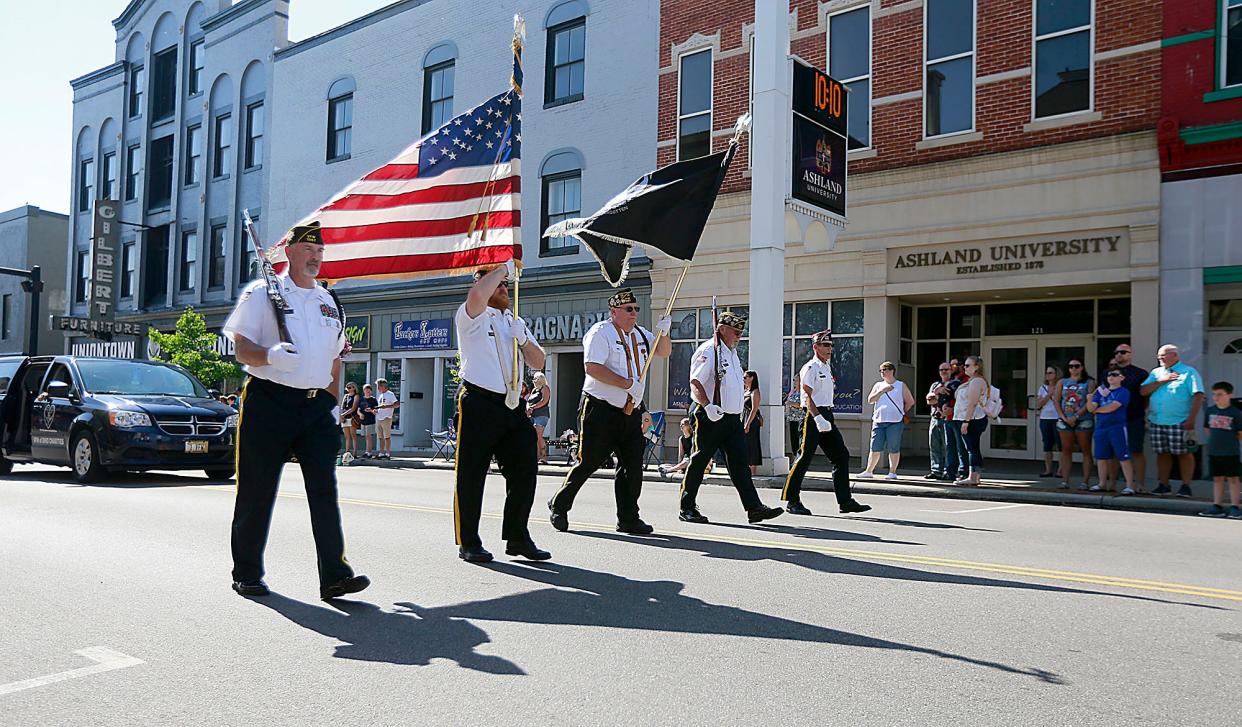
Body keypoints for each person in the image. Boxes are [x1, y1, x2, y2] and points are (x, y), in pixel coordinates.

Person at [222, 222, 369, 600]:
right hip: (270, 401)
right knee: (257, 489)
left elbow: (336, 360)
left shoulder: (330, 301)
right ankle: (248, 572)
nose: (316, 257)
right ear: (288, 252)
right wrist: (268, 356)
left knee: (324, 492)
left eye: (319, 251)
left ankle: (335, 574)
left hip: (316, 408)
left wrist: (333, 405)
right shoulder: (263, 293)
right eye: (308, 250)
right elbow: (241, 348)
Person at [550, 288, 671, 534]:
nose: (634, 313)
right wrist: (627, 383)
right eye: (629, 309)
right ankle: (559, 505)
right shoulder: (601, 332)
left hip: (630, 410)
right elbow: (592, 368)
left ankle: (628, 518)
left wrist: (664, 332)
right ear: (614, 311)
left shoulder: (640, 334)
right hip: (600, 408)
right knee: (589, 461)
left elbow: (663, 351)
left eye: (636, 309)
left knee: (632, 466)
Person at [454, 261, 550, 563]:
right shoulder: (472, 315)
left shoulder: (513, 319)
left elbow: (539, 361)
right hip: (479, 403)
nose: (504, 287)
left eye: (506, 283)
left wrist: (522, 338)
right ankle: (468, 541)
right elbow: (477, 295)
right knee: (471, 475)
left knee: (525, 470)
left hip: (512, 405)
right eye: (498, 283)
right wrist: (502, 266)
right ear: (481, 282)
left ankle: (517, 537)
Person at [677, 312, 784, 525]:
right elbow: (695, 383)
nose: (739, 337)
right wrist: (707, 406)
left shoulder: (732, 354)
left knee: (740, 465)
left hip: (732, 419)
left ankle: (754, 508)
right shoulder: (709, 351)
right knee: (699, 461)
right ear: (722, 328)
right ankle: (687, 507)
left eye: (741, 333)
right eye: (736, 332)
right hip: (710, 416)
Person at [781, 330, 871, 516]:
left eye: (830, 345)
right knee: (804, 457)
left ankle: (845, 501)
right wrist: (817, 417)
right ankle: (792, 500)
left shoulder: (826, 367)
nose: (829, 348)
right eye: (825, 345)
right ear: (815, 347)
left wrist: (825, 417)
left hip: (826, 414)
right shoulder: (811, 367)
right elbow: (806, 395)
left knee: (841, 456)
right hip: (812, 416)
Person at [1141, 344, 1206, 498]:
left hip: (1180, 421)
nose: (1160, 358)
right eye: (1158, 356)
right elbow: (1143, 390)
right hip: (1157, 420)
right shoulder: (1156, 373)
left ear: (1175, 355)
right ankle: (1164, 485)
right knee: (1162, 453)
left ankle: (1186, 486)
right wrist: (1162, 381)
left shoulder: (1189, 372)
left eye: (1163, 355)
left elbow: (1198, 395)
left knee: (1184, 453)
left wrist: (1191, 419)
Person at [858, 361, 914, 480]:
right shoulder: (878, 385)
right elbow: (870, 400)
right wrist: (882, 390)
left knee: (893, 447)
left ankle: (892, 472)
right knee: (875, 447)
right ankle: (869, 471)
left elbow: (910, 401)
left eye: (885, 370)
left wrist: (902, 411)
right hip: (879, 421)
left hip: (895, 421)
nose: (883, 372)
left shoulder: (900, 385)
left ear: (892, 371)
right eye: (881, 370)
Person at [1087, 369, 1137, 494]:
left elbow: (1113, 407)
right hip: (1101, 427)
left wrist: (1096, 410)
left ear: (1122, 378)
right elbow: (1090, 408)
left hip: (1117, 427)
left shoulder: (1123, 392)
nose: (1111, 377)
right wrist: (1089, 399)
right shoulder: (1100, 391)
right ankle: (1102, 483)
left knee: (1123, 456)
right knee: (1101, 457)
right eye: (1109, 374)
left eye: (1115, 375)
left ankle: (1130, 485)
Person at [1199, 381, 1242, 518]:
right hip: (1214, 451)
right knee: (1217, 479)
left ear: (1229, 395)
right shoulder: (1210, 411)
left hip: (1231, 451)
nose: (1216, 397)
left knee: (1233, 479)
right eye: (1214, 394)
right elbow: (1207, 429)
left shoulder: (1235, 412)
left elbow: (1240, 433)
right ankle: (1217, 505)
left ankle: (1235, 506)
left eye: (1220, 394)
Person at [1110, 344, 1149, 492]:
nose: (1119, 354)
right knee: (1114, 451)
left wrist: (1142, 410)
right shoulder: (1108, 373)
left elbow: (1145, 396)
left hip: (1134, 417)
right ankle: (1111, 483)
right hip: (1113, 419)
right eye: (1117, 352)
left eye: (1123, 352)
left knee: (1136, 451)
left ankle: (1140, 484)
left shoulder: (1140, 374)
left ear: (1131, 354)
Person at [1053, 359, 1094, 490]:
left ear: (1082, 367)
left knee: (1085, 450)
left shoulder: (1089, 382)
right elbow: (1057, 401)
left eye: (1076, 366)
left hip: (1083, 419)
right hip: (1065, 419)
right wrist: (1063, 417)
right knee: (1066, 450)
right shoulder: (1062, 382)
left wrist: (1077, 416)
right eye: (1070, 366)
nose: (1073, 369)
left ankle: (1085, 481)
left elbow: (1091, 402)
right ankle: (1064, 481)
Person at [953, 355, 990, 486]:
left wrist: (966, 421)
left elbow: (972, 403)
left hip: (972, 419)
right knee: (973, 448)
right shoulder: (971, 381)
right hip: (968, 418)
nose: (964, 367)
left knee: (971, 449)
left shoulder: (976, 381)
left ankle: (973, 477)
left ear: (977, 367)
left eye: (968, 365)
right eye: (964, 365)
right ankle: (976, 476)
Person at [925, 362, 955, 480]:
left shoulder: (954, 384)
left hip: (947, 420)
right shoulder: (935, 385)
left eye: (946, 369)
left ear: (951, 370)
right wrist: (937, 393)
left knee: (948, 447)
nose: (944, 371)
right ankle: (936, 471)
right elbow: (929, 400)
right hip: (935, 418)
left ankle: (949, 471)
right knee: (934, 446)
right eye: (941, 369)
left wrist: (936, 397)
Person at [1035, 365, 1062, 478]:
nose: (1048, 375)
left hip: (1058, 417)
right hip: (1045, 418)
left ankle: (1061, 470)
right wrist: (1049, 394)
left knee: (1061, 445)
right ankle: (1048, 469)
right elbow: (1039, 404)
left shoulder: (1061, 386)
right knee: (1047, 445)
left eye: (1051, 372)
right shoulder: (1043, 388)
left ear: (1056, 374)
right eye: (1047, 373)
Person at [526, 371, 552, 465]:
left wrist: (533, 407)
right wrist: (528, 408)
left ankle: (544, 456)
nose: (534, 381)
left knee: (538, 435)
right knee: (533, 436)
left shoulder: (545, 388)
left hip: (541, 414)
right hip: (532, 415)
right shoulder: (534, 390)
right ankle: (536, 457)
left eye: (535, 379)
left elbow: (544, 401)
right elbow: (528, 401)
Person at [742, 370, 763, 476]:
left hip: (752, 419)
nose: (744, 379)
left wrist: (748, 423)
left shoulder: (755, 392)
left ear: (752, 378)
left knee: (752, 444)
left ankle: (753, 470)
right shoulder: (746, 391)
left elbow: (754, 409)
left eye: (746, 377)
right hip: (744, 417)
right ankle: (746, 468)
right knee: (744, 444)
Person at [373, 378, 399, 460]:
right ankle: (381, 453)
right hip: (379, 418)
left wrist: (387, 406)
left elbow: (397, 404)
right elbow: (380, 407)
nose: (377, 388)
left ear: (382, 386)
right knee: (380, 437)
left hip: (386, 418)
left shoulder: (390, 394)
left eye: (378, 386)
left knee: (387, 436)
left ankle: (387, 453)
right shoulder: (380, 395)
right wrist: (375, 410)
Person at [339, 382, 361, 459]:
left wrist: (343, 414)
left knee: (353, 435)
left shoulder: (356, 396)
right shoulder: (346, 396)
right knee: (347, 437)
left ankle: (354, 453)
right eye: (347, 387)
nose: (348, 389)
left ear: (354, 388)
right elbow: (342, 407)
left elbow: (353, 408)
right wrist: (341, 416)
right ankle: (347, 453)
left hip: (352, 417)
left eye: (350, 387)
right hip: (345, 418)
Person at [785, 372, 803, 458]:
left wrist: (791, 403)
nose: (794, 382)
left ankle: (799, 457)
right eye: (794, 380)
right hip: (791, 418)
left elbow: (802, 405)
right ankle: (794, 456)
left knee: (799, 438)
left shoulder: (803, 392)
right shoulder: (793, 392)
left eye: (796, 380)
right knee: (793, 439)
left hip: (800, 419)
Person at [358, 384, 378, 459]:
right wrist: (360, 414)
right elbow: (358, 410)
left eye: (369, 391)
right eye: (366, 390)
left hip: (370, 420)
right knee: (366, 437)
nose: (367, 392)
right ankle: (367, 452)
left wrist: (371, 410)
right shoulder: (362, 399)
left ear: (371, 391)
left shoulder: (373, 400)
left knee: (369, 437)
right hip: (363, 420)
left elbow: (376, 411)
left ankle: (369, 453)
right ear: (364, 391)